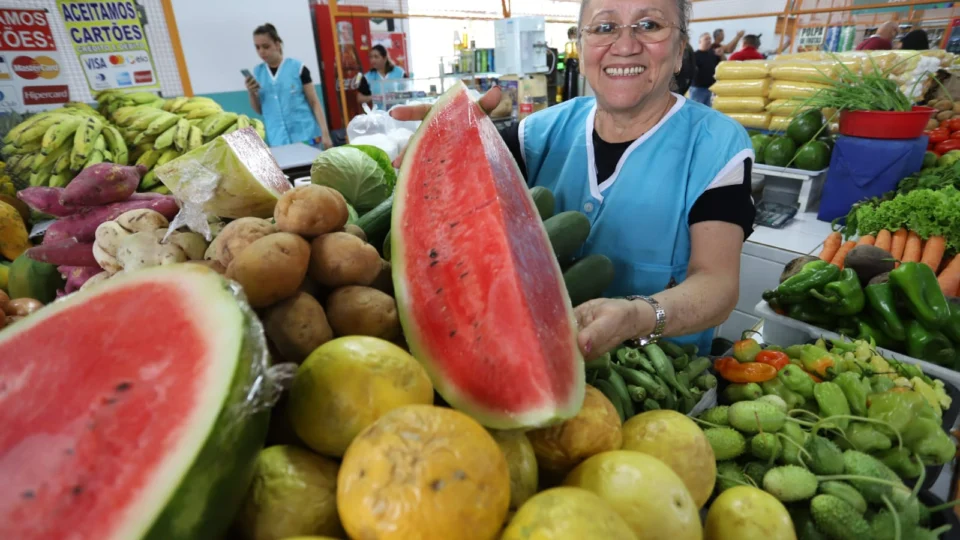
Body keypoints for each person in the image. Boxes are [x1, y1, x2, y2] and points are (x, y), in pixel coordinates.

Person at [391, 0, 755, 358]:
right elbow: (461, 216)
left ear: (679, 51)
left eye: (649, 25)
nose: (625, 46)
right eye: (604, 27)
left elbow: (717, 284)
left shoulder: (717, 145)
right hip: (530, 352)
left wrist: (638, 316)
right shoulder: (536, 133)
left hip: (663, 379)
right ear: (581, 50)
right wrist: (442, 147)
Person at [245, 24, 332, 148]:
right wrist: (251, 93)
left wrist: (325, 134)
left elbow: (314, 102)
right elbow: (260, 110)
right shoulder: (258, 73)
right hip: (278, 140)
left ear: (277, 44)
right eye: (257, 47)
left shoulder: (298, 68)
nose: (261, 51)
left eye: (266, 46)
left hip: (306, 136)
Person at [690, 32, 720, 106]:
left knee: (708, 111)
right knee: (697, 110)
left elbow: (720, 68)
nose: (709, 41)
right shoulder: (694, 56)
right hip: (698, 89)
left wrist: (721, 55)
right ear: (700, 42)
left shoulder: (713, 55)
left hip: (711, 89)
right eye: (706, 39)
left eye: (710, 39)